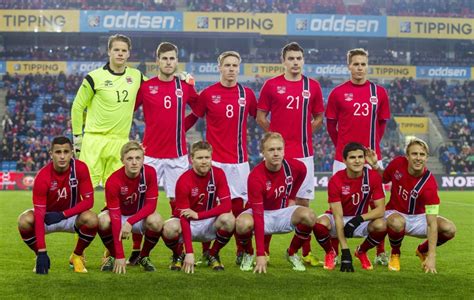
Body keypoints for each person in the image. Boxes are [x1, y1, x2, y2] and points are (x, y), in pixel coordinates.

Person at [256, 42, 324, 266]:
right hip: (278, 154)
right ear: (283, 61)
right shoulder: (271, 85)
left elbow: (318, 118)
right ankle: (263, 251)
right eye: (291, 58)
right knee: (270, 203)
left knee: (303, 204)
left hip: (304, 153)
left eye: (299, 58)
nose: (295, 62)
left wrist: (304, 134)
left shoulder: (313, 86)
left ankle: (301, 252)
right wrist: (275, 137)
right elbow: (261, 116)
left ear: (303, 60)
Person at [325, 48, 391, 265]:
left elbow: (381, 123)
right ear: (349, 66)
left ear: (367, 65)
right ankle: (333, 252)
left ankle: (378, 251)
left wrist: (371, 150)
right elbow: (331, 125)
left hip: (372, 158)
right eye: (356, 64)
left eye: (363, 64)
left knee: (377, 206)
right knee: (337, 205)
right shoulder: (337, 93)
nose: (360, 68)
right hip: (341, 158)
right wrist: (343, 150)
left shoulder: (379, 92)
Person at [191, 51, 257, 265]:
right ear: (219, 67)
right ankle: (207, 252)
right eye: (227, 65)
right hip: (213, 162)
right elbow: (193, 116)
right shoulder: (208, 94)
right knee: (208, 206)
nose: (231, 69)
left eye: (234, 65)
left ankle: (242, 251)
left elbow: (261, 117)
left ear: (239, 68)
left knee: (239, 209)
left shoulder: (247, 94)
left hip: (239, 162)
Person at [366, 138, 456, 273]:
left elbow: (431, 224)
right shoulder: (397, 163)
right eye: (414, 154)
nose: (418, 158)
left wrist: (432, 256)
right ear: (407, 156)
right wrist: (375, 166)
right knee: (396, 222)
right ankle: (395, 254)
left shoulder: (430, 185)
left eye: (422, 154)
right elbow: (385, 178)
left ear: (426, 158)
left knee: (449, 229)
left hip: (419, 218)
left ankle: (422, 250)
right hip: (395, 213)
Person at [235, 132, 317, 273]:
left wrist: (292, 197)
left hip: (282, 212)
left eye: (279, 149)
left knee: (310, 216)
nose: (276, 153)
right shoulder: (255, 177)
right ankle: (249, 253)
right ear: (263, 153)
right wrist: (261, 254)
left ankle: (291, 252)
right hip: (261, 214)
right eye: (271, 150)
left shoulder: (296, 167)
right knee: (241, 224)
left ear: (284, 150)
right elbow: (259, 216)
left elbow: (302, 173)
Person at [71, 34, 144, 187]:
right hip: (94, 140)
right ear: (109, 51)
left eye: (124, 50)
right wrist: (77, 137)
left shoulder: (136, 76)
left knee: (117, 191)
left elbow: (157, 87)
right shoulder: (94, 77)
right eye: (116, 49)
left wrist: (178, 78)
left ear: (129, 53)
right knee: (84, 190)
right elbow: (77, 107)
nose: (120, 53)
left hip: (120, 141)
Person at [18, 136, 98, 274]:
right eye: (58, 152)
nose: (62, 156)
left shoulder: (80, 168)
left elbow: (88, 201)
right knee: (23, 220)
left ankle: (77, 256)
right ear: (51, 154)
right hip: (48, 218)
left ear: (72, 153)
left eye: (66, 152)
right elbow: (39, 213)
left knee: (93, 219)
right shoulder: (43, 176)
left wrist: (63, 215)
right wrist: (42, 251)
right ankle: (39, 256)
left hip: (71, 216)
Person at [135, 41, 198, 212]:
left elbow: (199, 110)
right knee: (142, 201)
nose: (168, 62)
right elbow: (128, 111)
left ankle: (177, 238)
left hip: (177, 155)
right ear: (157, 61)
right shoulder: (146, 87)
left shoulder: (184, 86)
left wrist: (182, 127)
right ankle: (136, 240)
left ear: (177, 61)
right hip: (150, 154)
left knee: (179, 202)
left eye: (172, 58)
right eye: (164, 58)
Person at [161, 141, 235, 273]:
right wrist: (189, 252)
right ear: (191, 159)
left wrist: (199, 215)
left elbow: (227, 205)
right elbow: (184, 217)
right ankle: (179, 254)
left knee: (229, 219)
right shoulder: (184, 180)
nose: (204, 161)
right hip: (187, 223)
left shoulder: (218, 174)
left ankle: (213, 253)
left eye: (207, 157)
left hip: (209, 221)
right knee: (168, 228)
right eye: (200, 158)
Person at [314, 142, 386, 272]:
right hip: (338, 218)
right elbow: (338, 216)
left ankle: (361, 251)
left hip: (359, 220)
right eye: (352, 157)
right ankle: (330, 252)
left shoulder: (373, 177)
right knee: (319, 224)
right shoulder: (336, 180)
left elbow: (380, 210)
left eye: (360, 157)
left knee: (382, 225)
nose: (357, 161)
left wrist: (358, 220)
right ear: (344, 161)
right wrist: (345, 251)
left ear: (365, 159)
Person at [98, 141, 163, 274]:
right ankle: (114, 255)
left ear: (143, 159)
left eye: (138, 158)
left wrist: (130, 222)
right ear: (122, 160)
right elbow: (115, 216)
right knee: (102, 220)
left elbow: (151, 206)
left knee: (157, 221)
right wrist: (120, 254)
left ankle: (143, 256)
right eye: (129, 158)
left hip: (138, 216)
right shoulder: (113, 180)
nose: (134, 162)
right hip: (119, 216)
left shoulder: (150, 173)